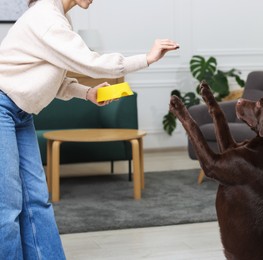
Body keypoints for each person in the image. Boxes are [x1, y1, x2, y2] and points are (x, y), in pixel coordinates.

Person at [0, 0, 179, 259]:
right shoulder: (46, 17)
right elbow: (92, 63)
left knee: (37, 201)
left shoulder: (59, 18)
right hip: (3, 106)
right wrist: (147, 59)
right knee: (7, 207)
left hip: (20, 113)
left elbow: (56, 80)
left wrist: (88, 93)